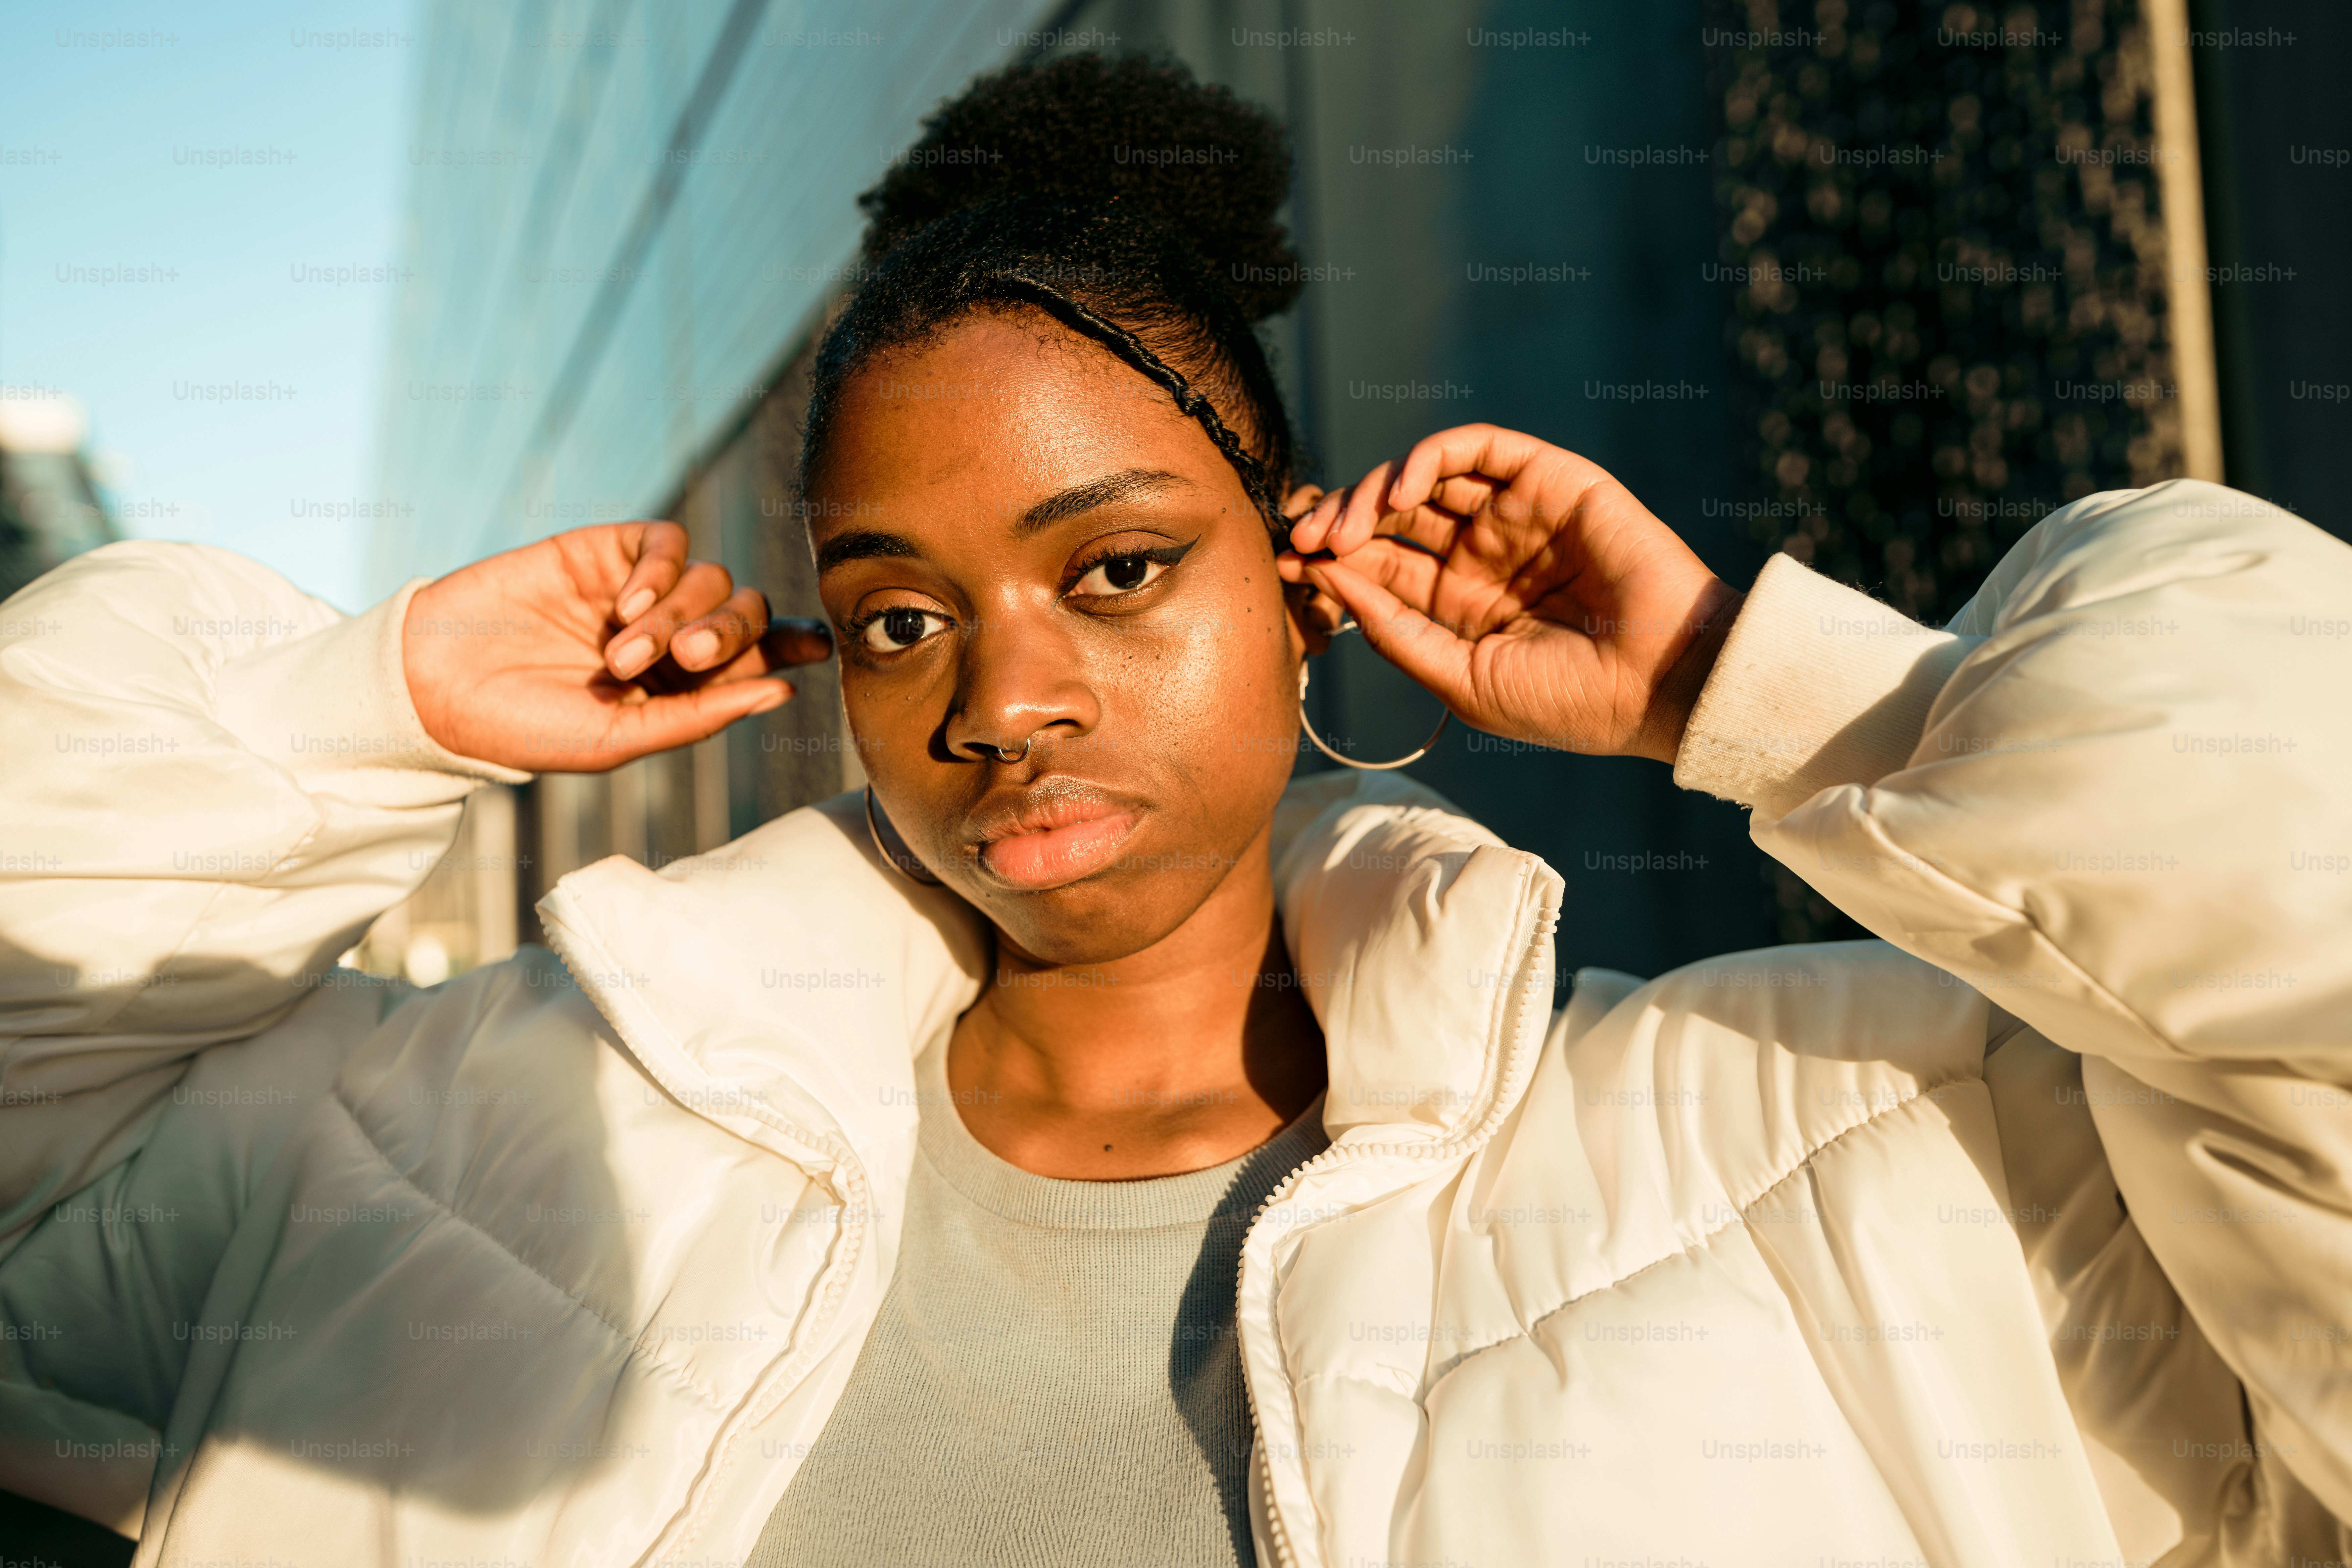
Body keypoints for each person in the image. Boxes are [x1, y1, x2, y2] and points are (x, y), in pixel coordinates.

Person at [1, 51, 2345, 1568]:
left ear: (1303, 579)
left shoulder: (1847, 1145)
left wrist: (1791, 698)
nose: (1006, 696)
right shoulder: (476, 1149)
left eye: (1116, 571)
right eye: (898, 615)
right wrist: (375, 697)